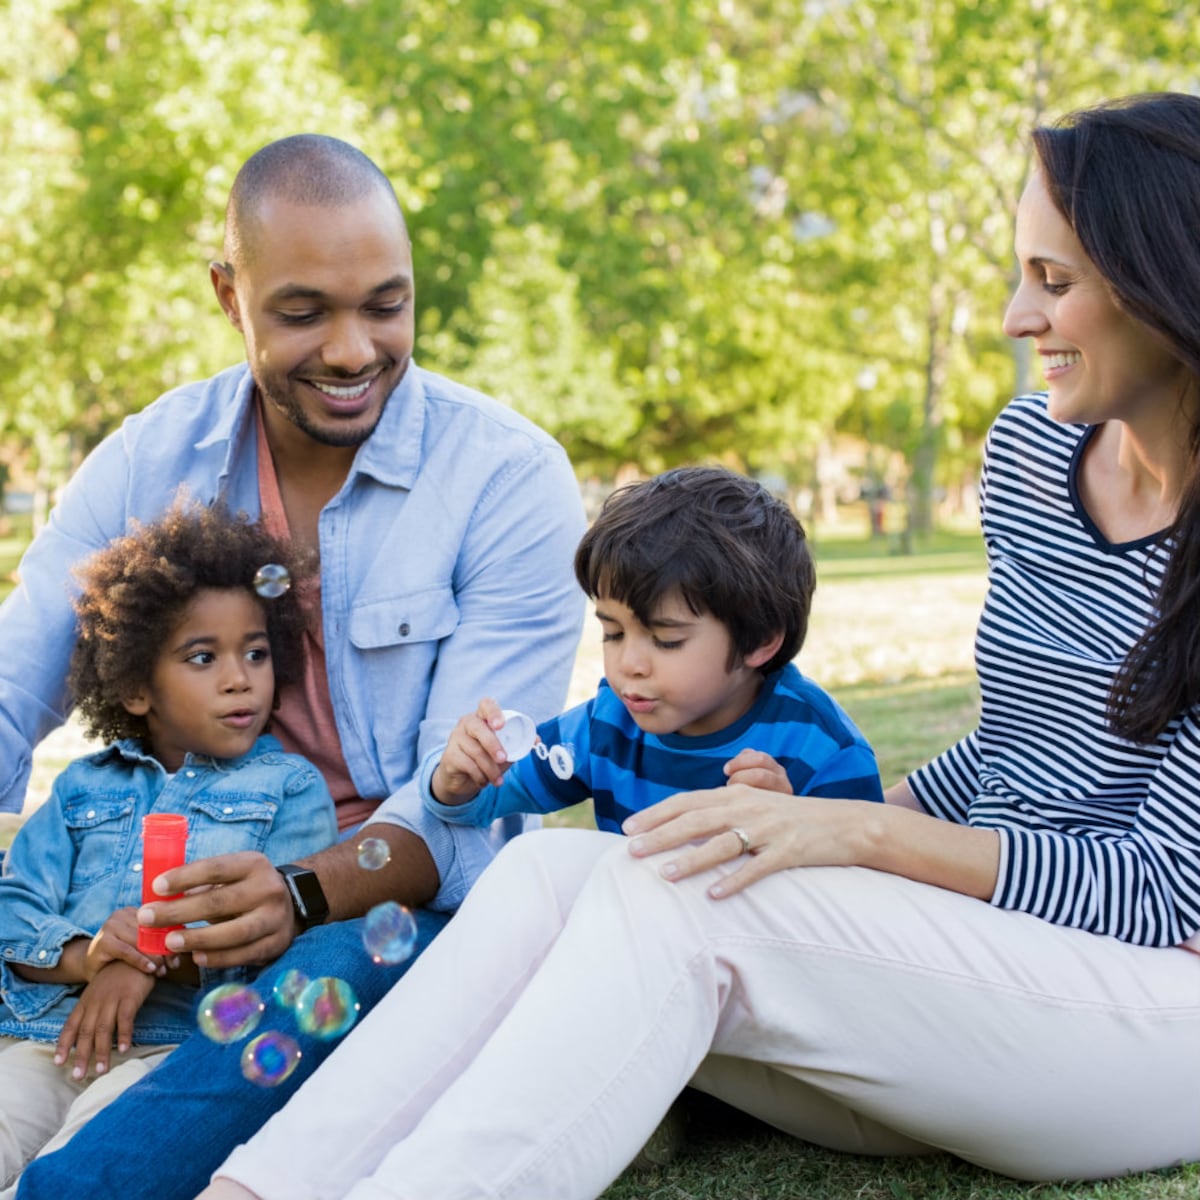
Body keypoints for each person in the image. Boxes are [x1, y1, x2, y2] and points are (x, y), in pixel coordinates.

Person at [197, 92, 1200, 1200]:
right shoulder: (1033, 458)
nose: (1018, 315)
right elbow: (1020, 750)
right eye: (1023, 274)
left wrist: (849, 833)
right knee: (545, 874)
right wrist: (821, 815)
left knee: (681, 889)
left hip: (1156, 1019)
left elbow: (1167, 896)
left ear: (1169, 282)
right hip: (978, 983)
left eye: (1054, 282)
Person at [10, 134, 585, 1200]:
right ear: (229, 296)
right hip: (180, 904)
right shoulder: (148, 461)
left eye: (386, 304)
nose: (355, 347)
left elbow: (463, 802)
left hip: (390, 912)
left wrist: (298, 892)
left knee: (325, 973)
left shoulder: (508, 480)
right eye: (304, 310)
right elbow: (11, 693)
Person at [0, 501, 337, 1190]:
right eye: (202, 657)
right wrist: (90, 957)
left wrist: (145, 962)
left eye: (256, 652)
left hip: (175, 1052)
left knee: (84, 1160)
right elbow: (13, 910)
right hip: (47, 1042)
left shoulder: (288, 788)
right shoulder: (82, 790)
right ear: (133, 686)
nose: (240, 677)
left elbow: (274, 939)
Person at [425, 466, 883, 838]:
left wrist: (791, 825)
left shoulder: (822, 748)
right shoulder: (608, 725)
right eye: (612, 633)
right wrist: (458, 781)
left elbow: (857, 903)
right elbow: (488, 803)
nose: (628, 666)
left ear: (760, 640)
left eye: (666, 640)